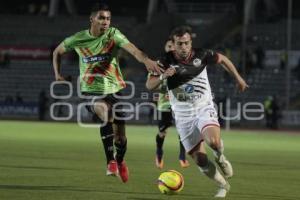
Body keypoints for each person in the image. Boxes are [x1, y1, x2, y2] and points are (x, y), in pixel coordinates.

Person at [52, 3, 162, 183]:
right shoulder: (79, 38)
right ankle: (110, 161)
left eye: (108, 18)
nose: (105, 22)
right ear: (92, 19)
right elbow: (57, 51)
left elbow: (134, 50)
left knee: (121, 138)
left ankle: (120, 160)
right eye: (101, 18)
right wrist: (57, 75)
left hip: (115, 91)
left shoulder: (113, 34)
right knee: (106, 112)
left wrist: (146, 60)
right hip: (90, 91)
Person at [146, 26, 248, 198]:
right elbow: (149, 85)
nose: (183, 47)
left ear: (190, 42)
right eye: (179, 44)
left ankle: (220, 156)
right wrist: (164, 76)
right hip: (182, 115)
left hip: (203, 107)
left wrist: (238, 78)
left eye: (186, 43)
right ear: (173, 44)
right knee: (200, 160)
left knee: (213, 142)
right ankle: (223, 185)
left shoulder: (202, 55)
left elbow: (223, 60)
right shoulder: (164, 61)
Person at [146, 39, 189, 169]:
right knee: (162, 132)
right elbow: (151, 85)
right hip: (164, 104)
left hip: (180, 103)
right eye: (168, 45)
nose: (171, 48)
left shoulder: (183, 64)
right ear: (165, 47)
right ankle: (159, 152)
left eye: (173, 46)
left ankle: (182, 156)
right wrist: (164, 79)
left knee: (183, 131)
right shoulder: (159, 65)